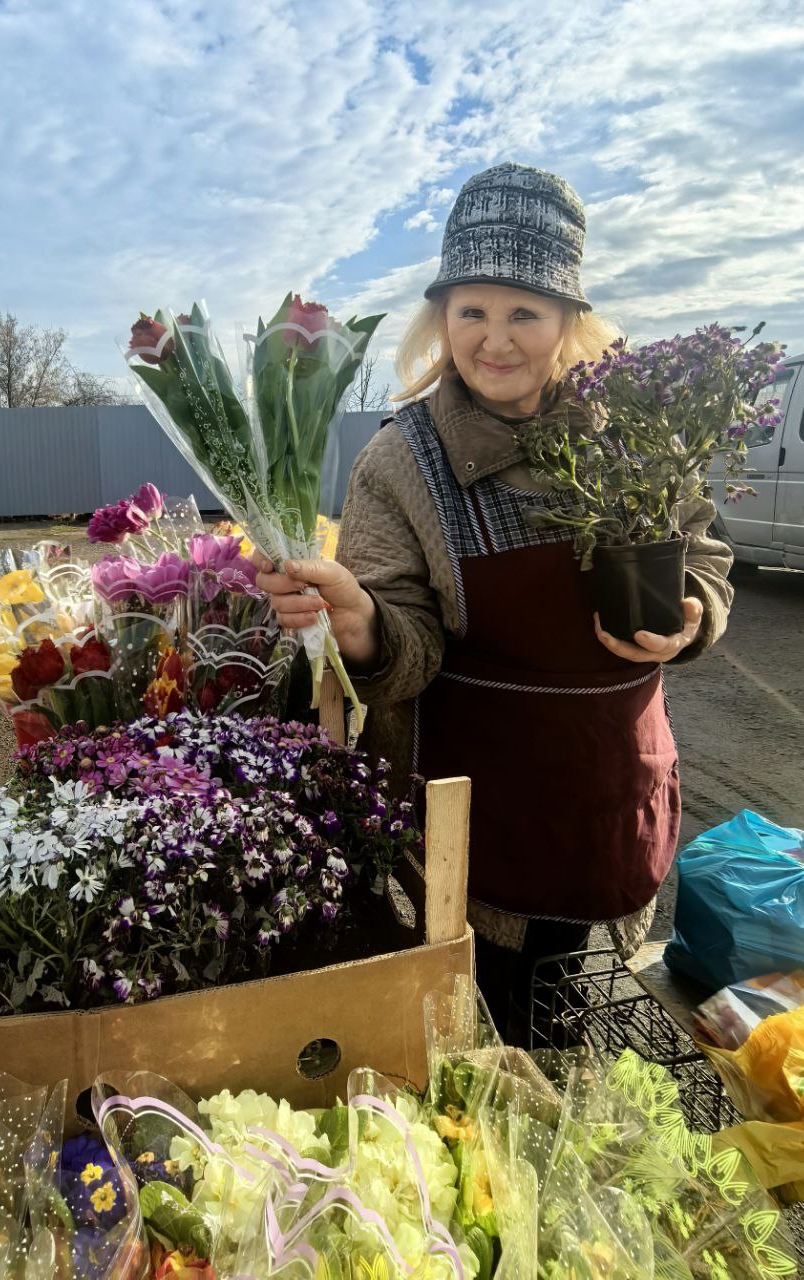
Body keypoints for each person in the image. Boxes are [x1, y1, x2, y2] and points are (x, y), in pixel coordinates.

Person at [255, 163, 734, 1043]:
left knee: (583, 1026)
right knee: (482, 1048)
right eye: (471, 310)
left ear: (568, 322)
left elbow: (703, 550)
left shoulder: (636, 435)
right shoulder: (403, 460)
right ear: (441, 320)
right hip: (476, 827)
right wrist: (364, 625)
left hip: (608, 796)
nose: (495, 339)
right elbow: (406, 632)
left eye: (524, 312)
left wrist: (695, 609)